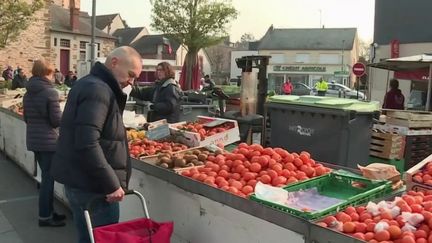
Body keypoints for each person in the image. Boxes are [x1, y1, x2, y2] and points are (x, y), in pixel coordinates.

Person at [50, 46, 142, 243]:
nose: (131, 82)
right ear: (114, 62)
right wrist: (111, 183)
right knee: (102, 238)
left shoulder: (90, 84)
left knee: (88, 237)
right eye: (130, 74)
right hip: (94, 187)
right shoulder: (98, 89)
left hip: (82, 180)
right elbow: (87, 141)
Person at [22, 59, 65, 227]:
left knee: (46, 177)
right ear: (47, 73)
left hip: (34, 140)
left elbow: (26, 118)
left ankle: (49, 211)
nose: (54, 76)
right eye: (52, 73)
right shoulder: (50, 93)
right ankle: (45, 216)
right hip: (48, 142)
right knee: (48, 179)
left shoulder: (28, 93)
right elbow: (56, 121)